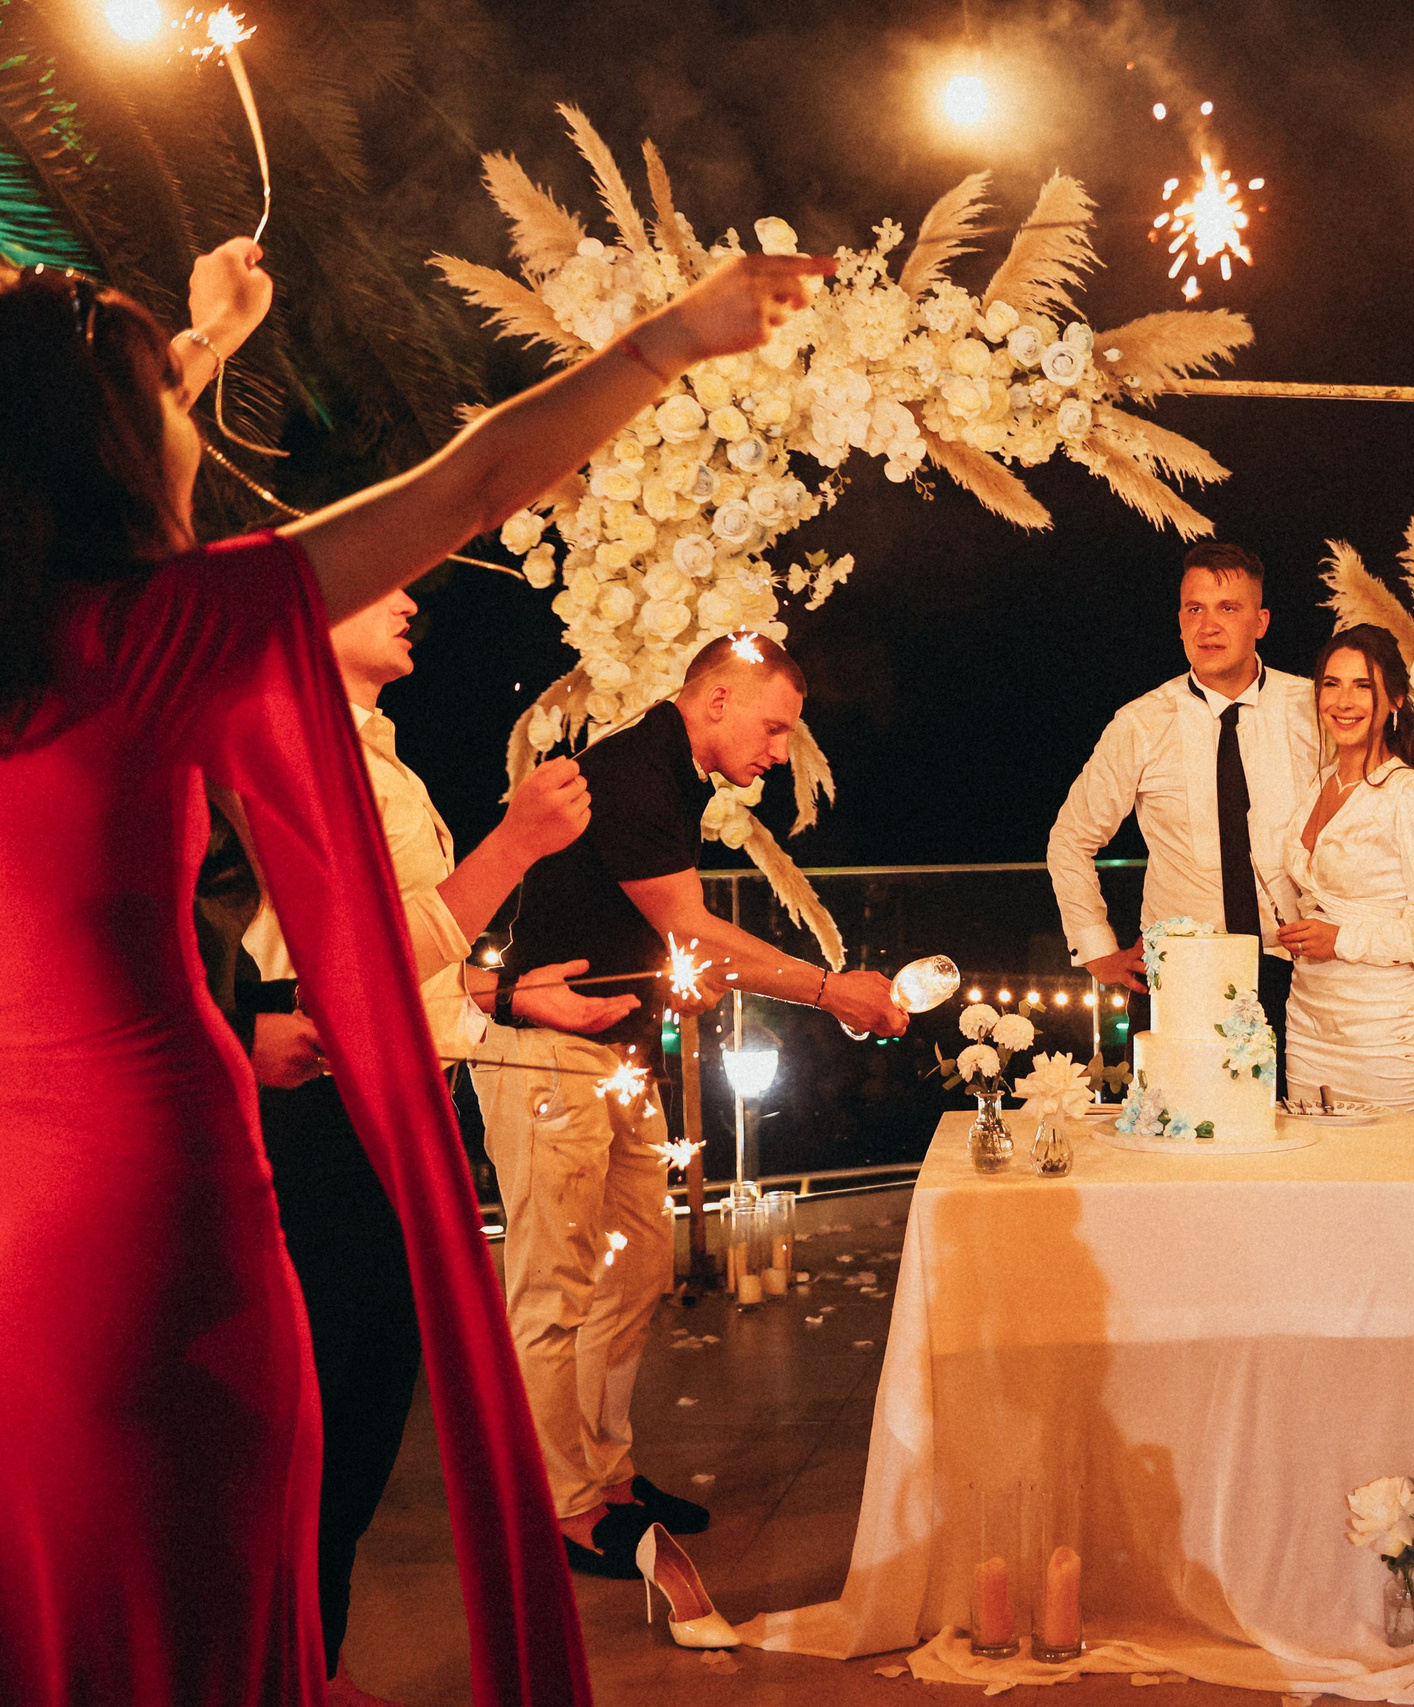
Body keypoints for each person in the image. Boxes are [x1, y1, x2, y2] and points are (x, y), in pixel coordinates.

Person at [0, 231, 831, 1707]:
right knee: (207, 1542)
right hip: (155, 1188)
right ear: (130, 451)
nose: (195, 430)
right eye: (176, 411)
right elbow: (466, 485)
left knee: (72, 1553)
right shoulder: (163, 630)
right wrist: (668, 342)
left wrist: (204, 341)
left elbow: (51, 424)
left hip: (20, 1202)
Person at [231, 586, 637, 1703]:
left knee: (363, 1411)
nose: (411, 597)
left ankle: (314, 1656)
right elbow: (338, 958)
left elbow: (393, 966)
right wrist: (512, 846)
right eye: (382, 580)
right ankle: (292, 1666)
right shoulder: (302, 750)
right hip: (326, 1114)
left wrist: (500, 999)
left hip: (390, 1096)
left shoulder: (378, 752)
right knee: (330, 1412)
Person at [477, 629, 904, 1579]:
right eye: (774, 727)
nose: (780, 751)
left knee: (633, 1273)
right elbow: (692, 924)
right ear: (714, 701)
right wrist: (832, 990)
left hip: (617, 1053)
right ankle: (561, 1506)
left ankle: (610, 1473)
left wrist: (672, 980)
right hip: (548, 1058)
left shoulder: (670, 773)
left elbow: (650, 931)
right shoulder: (634, 768)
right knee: (553, 1289)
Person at [1049, 541, 1318, 1064]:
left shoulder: (1311, 708)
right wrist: (1098, 949)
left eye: (1228, 609)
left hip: (1301, 972)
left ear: (1261, 622)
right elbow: (1070, 839)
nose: (1208, 626)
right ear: (1180, 622)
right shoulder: (1142, 723)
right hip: (1181, 975)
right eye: (1195, 609)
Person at [1275, 624, 1414, 1126]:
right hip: (1309, 1027)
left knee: (1402, 1192)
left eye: (1363, 686)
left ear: (1396, 700)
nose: (1344, 700)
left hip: (1388, 1037)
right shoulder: (1320, 784)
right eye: (1332, 684)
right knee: (1319, 1192)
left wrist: (1341, 939)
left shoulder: (1413, 795)